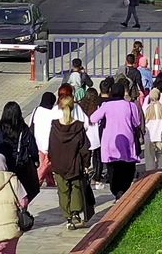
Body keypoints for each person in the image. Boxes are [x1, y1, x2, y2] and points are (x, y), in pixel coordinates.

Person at [89, 81, 143, 201]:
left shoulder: (106, 106)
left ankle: (117, 191)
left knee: (112, 169)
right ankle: (123, 190)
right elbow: (137, 123)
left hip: (110, 142)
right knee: (127, 168)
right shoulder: (131, 106)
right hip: (127, 141)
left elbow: (93, 118)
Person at [49, 96, 91, 230]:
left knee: (63, 191)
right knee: (76, 189)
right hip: (75, 164)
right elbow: (84, 148)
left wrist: (52, 161)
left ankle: (68, 217)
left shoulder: (55, 126)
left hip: (59, 164)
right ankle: (75, 212)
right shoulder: (78, 126)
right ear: (73, 107)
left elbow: (51, 146)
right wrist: (86, 164)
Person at [0, 102, 41, 206]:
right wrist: (36, 159)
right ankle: (22, 210)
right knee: (24, 194)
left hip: (3, 167)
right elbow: (32, 148)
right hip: (21, 168)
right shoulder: (23, 129)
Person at [30, 92, 58, 189]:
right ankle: (36, 181)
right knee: (46, 165)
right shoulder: (53, 113)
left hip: (38, 143)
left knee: (43, 163)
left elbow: (31, 125)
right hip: (49, 143)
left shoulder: (36, 110)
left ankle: (50, 182)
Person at [78, 90, 103, 188]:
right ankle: (97, 177)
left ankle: (85, 173)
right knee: (98, 158)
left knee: (85, 157)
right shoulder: (98, 106)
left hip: (86, 136)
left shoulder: (81, 107)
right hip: (96, 136)